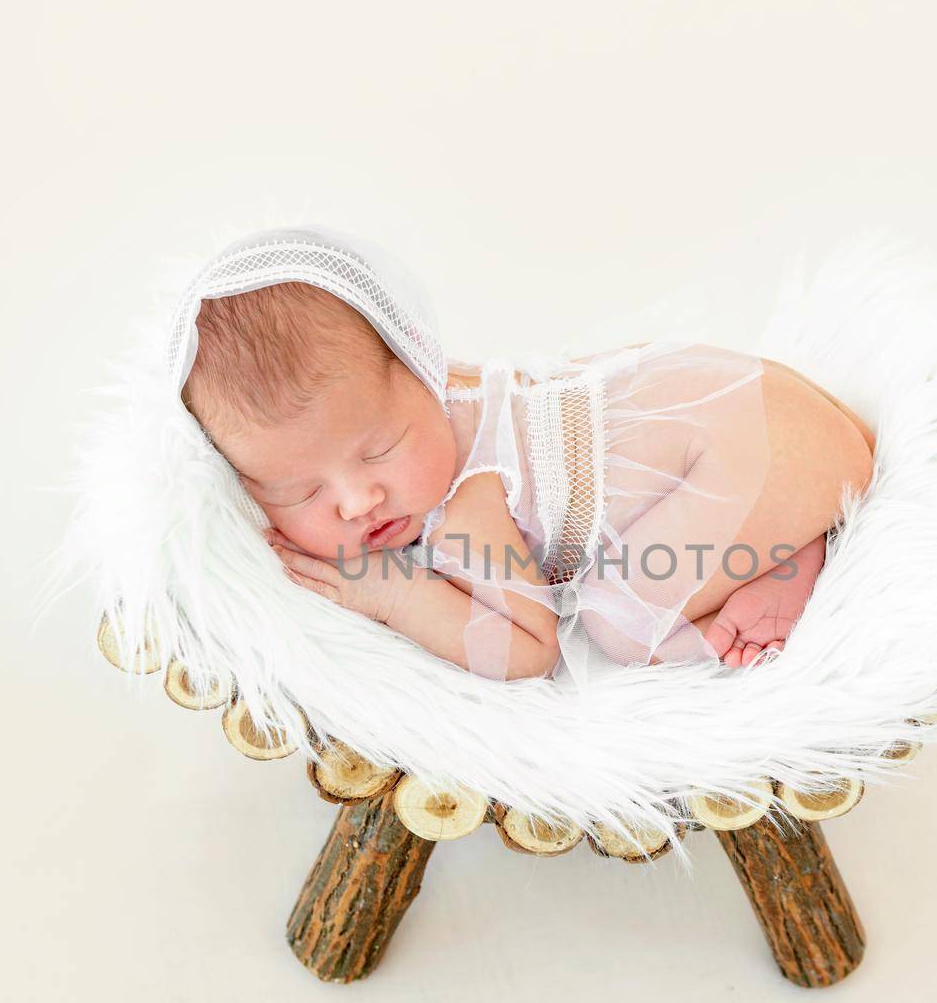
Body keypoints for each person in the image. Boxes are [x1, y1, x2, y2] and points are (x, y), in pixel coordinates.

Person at [170, 225, 875, 685]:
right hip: (759, 414)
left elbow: (529, 648)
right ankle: (781, 526)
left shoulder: (467, 504)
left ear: (426, 371)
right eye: (299, 493)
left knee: (620, 621)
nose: (357, 502)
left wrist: (389, 591)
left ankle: (796, 552)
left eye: (380, 449)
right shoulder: (448, 398)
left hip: (768, 450)